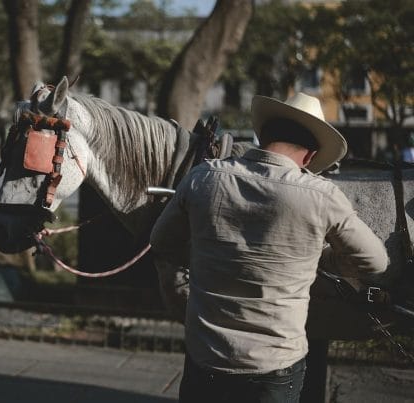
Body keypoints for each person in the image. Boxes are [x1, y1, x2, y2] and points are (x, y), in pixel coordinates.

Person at [150, 92, 388, 403]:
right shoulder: (321, 196)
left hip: (206, 356)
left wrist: (212, 257)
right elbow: (375, 262)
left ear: (265, 136)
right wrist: (320, 260)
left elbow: (161, 241)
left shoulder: (203, 177)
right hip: (274, 366)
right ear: (310, 156)